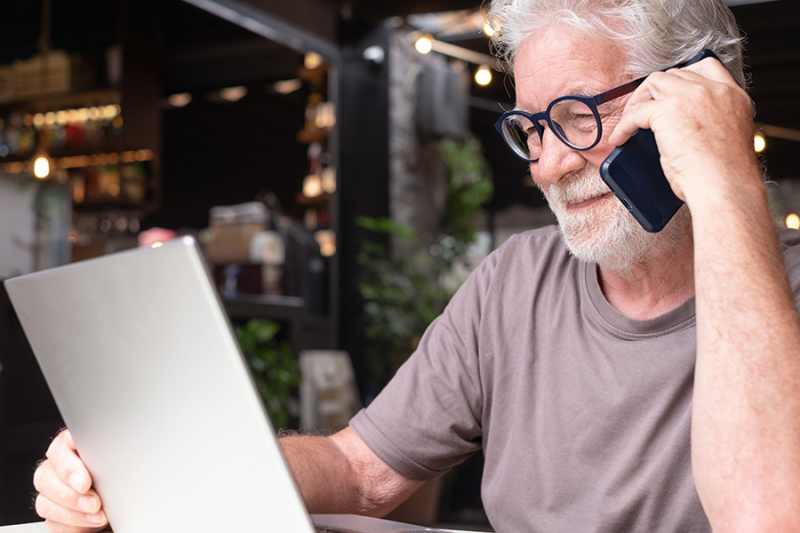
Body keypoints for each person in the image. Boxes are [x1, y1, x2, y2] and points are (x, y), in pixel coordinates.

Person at [32, 1, 800, 532]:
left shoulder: (788, 291)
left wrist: (725, 178)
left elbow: (769, 515)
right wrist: (148, 473)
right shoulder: (515, 283)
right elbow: (360, 470)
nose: (547, 166)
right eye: (532, 127)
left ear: (700, 95)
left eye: (577, 117)